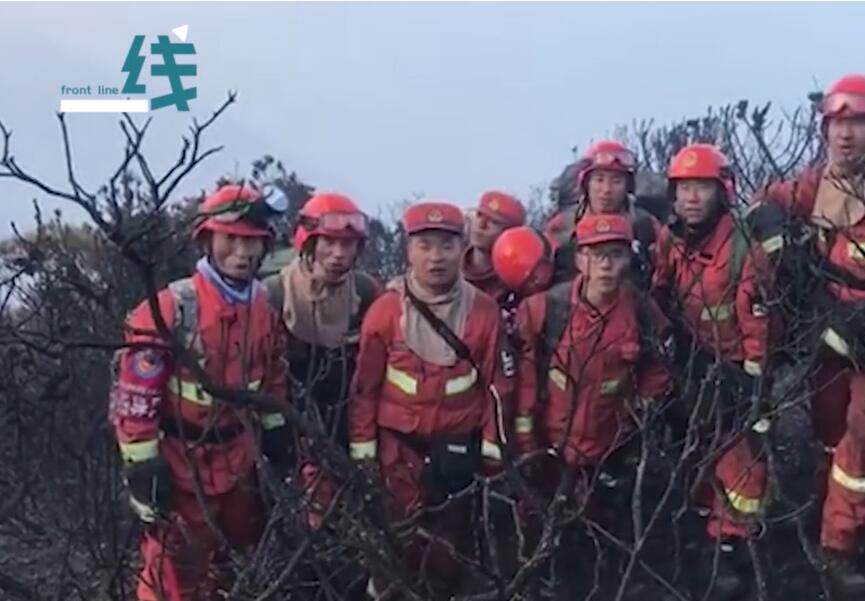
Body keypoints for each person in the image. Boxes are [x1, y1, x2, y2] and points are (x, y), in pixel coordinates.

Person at [748, 74, 865, 596]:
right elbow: (764, 204)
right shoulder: (815, 183)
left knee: (862, 433)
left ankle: (837, 548)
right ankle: (825, 518)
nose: (845, 135)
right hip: (826, 328)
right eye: (836, 125)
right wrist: (777, 240)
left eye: (857, 124)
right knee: (827, 430)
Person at [109, 184, 293, 601]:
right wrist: (143, 466)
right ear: (207, 240)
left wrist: (278, 433)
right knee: (173, 576)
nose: (242, 252)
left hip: (241, 464)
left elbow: (272, 379)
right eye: (231, 239)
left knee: (238, 567)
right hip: (181, 467)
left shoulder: (264, 309)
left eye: (252, 241)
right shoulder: (171, 308)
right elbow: (134, 398)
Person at [348, 201, 513, 600]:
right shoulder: (386, 311)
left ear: (462, 248)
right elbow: (364, 390)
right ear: (409, 250)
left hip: (457, 457)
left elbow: (498, 388)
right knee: (394, 552)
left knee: (451, 553)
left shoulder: (484, 312)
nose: (436, 257)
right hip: (397, 457)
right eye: (425, 246)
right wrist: (363, 457)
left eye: (446, 245)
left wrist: (492, 456)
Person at [514, 213, 672, 595]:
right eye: (596, 255)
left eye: (615, 254)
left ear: (628, 260)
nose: (606, 265)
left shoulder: (642, 312)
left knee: (604, 536)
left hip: (609, 448)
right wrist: (529, 446)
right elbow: (525, 383)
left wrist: (639, 419)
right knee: (542, 537)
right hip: (551, 449)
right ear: (580, 259)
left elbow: (658, 370)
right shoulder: (544, 310)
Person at [652, 143, 773, 600]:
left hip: (738, 365)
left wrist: (754, 387)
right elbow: (660, 296)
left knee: (741, 458)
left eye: (701, 187)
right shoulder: (669, 240)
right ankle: (703, 525)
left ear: (722, 192)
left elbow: (759, 325)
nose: (691, 198)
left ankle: (734, 544)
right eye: (683, 189)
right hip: (692, 362)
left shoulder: (743, 249)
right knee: (695, 448)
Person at [263, 191, 381, 529]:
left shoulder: (366, 293)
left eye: (348, 244)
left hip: (348, 425)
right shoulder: (274, 294)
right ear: (309, 242)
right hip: (289, 430)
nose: (338, 254)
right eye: (329, 242)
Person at [544, 140, 664, 289]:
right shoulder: (562, 225)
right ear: (586, 184)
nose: (607, 189)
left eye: (616, 181)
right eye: (599, 180)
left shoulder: (646, 225)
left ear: (627, 186)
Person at [463, 190, 527, 303]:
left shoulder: (515, 283)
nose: (481, 225)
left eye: (494, 222)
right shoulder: (450, 268)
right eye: (479, 215)